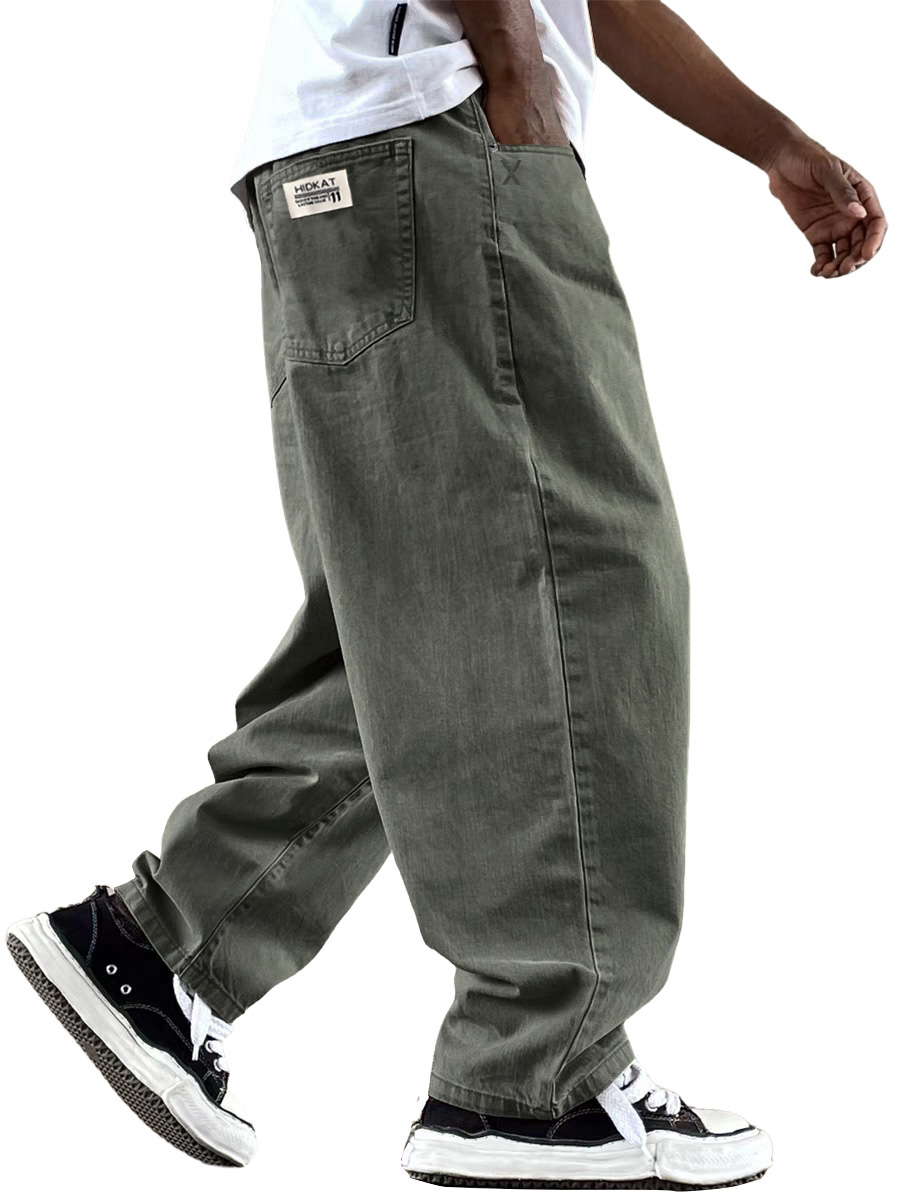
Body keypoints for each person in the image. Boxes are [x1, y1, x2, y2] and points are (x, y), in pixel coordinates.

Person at [7, 0, 886, 1188]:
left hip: (362, 152)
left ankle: (157, 945)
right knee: (583, 583)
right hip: (443, 130)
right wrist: (515, 73)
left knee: (419, 606)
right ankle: (537, 1074)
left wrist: (771, 140)